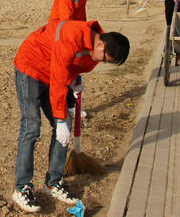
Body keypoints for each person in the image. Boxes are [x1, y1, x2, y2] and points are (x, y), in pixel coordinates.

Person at [12, 19, 130, 213]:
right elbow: (59, 78)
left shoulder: (94, 49)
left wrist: (74, 83)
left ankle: (53, 182)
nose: (102, 62)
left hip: (52, 74)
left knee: (64, 127)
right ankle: (21, 187)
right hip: (31, 68)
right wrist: (60, 118)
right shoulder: (71, 38)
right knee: (31, 127)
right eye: (105, 59)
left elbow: (69, 70)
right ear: (101, 44)